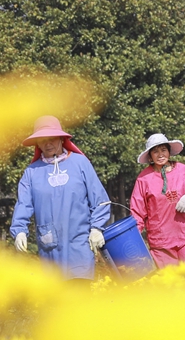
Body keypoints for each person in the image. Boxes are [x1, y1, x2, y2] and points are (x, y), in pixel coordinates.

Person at [10, 115, 110, 282]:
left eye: (52, 138)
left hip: (79, 245)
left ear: (61, 139)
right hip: (50, 249)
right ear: (37, 144)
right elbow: (23, 204)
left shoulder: (80, 163)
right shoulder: (32, 172)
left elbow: (100, 199)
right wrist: (19, 230)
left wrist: (97, 228)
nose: (48, 144)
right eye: (42, 140)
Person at [130, 133, 185, 272]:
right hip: (161, 243)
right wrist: (133, 242)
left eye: (163, 150)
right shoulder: (143, 179)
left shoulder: (183, 170)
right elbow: (137, 213)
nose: (160, 154)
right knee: (171, 287)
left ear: (169, 151)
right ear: (150, 156)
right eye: (155, 151)